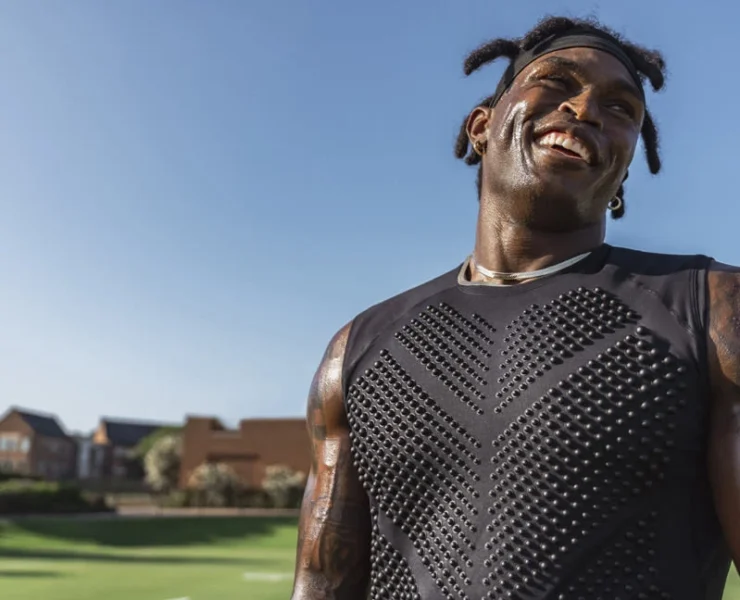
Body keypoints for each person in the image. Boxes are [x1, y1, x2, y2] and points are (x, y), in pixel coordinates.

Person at [290, 15, 740, 600]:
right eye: (556, 82)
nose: (585, 108)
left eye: (622, 108)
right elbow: (322, 582)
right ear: (482, 126)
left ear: (625, 166)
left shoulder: (711, 306)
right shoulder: (357, 346)